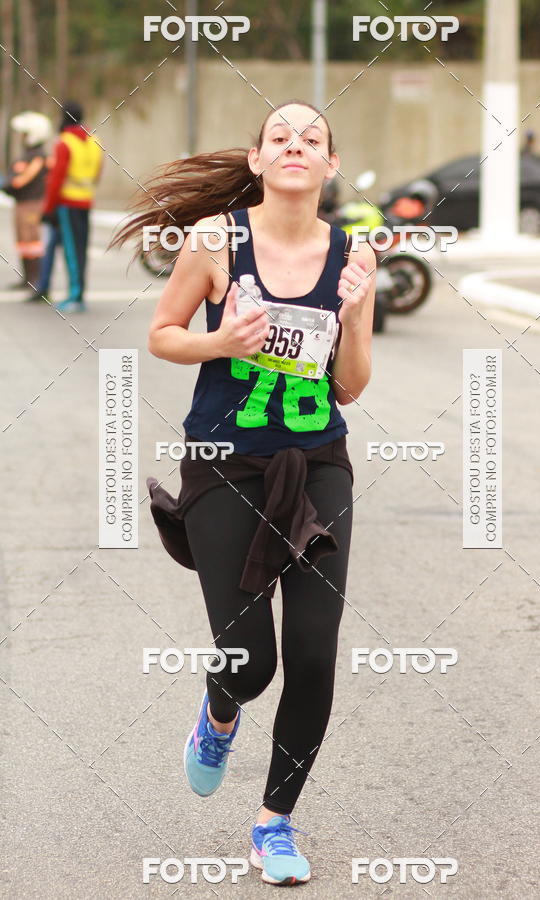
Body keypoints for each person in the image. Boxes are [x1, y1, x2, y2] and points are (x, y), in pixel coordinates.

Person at [112, 99, 375, 886]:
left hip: (318, 465)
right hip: (226, 466)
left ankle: (274, 825)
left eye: (313, 138)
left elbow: (352, 388)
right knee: (250, 660)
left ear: (329, 166)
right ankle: (221, 710)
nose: (296, 144)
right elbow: (163, 333)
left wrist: (357, 315)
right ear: (257, 161)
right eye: (280, 136)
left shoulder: (353, 253)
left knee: (315, 655)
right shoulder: (216, 241)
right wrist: (220, 341)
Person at [29, 101, 104, 310]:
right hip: (86, 201)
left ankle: (76, 296)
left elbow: (56, 179)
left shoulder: (65, 143)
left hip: (67, 204)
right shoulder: (95, 140)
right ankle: (43, 285)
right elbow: (98, 172)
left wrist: (48, 207)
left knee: (73, 250)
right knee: (65, 245)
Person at [1, 112, 51, 292]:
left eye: (24, 133)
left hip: (32, 204)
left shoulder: (38, 157)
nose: (21, 137)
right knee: (23, 242)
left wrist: (6, 184)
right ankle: (26, 278)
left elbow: (21, 180)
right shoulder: (28, 155)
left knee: (31, 241)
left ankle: (34, 278)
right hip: (22, 203)